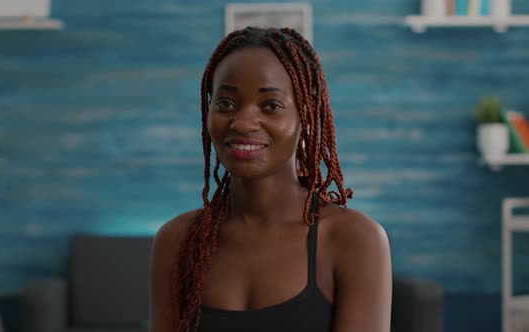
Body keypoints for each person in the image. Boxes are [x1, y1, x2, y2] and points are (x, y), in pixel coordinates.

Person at [150, 27, 392, 332]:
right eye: (225, 103)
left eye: (271, 106)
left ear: (305, 116)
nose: (243, 122)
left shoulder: (355, 240)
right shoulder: (177, 240)